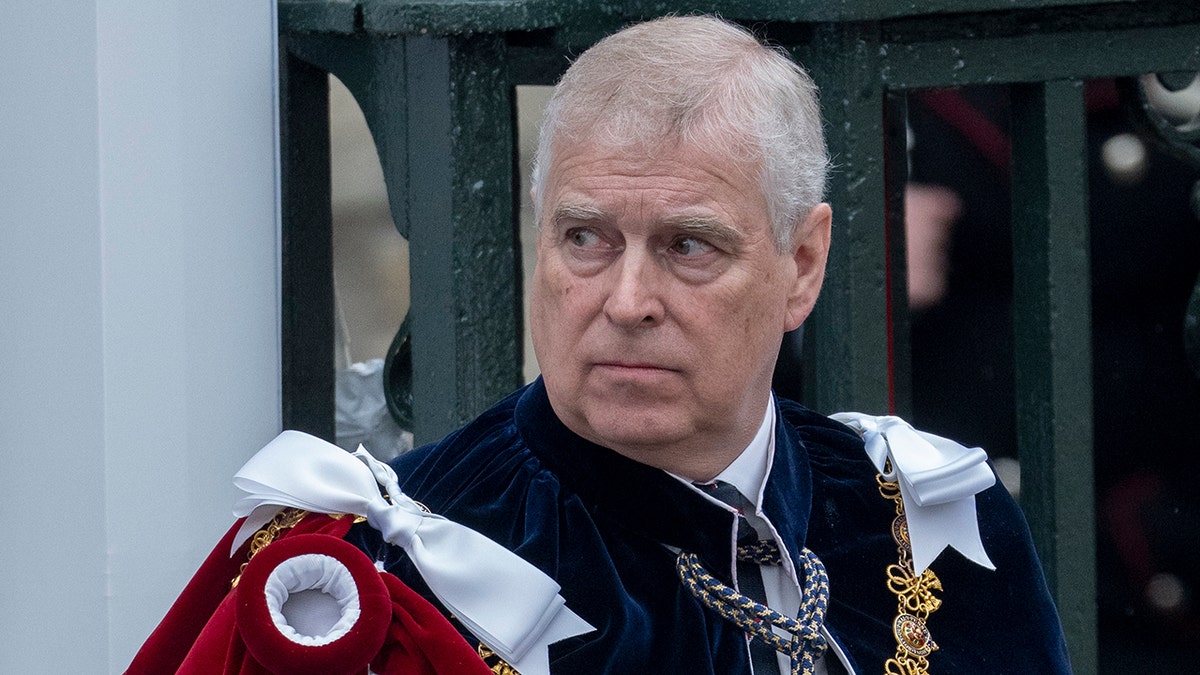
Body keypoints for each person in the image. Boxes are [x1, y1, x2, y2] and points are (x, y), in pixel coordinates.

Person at [340, 14, 1072, 675]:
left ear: (803, 265)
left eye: (688, 245)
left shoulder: (928, 516)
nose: (627, 303)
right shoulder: (387, 569)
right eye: (586, 238)